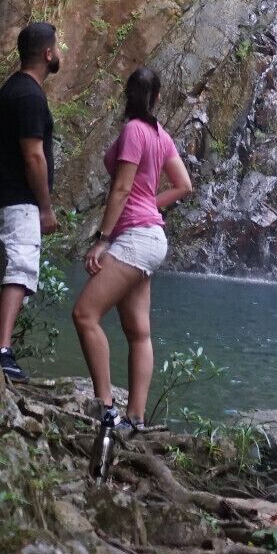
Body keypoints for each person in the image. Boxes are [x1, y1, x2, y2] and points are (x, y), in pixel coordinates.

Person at [72, 66, 194, 435]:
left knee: (84, 315)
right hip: (152, 238)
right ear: (157, 98)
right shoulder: (161, 135)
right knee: (138, 331)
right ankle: (136, 418)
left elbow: (122, 189)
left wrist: (103, 238)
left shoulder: (133, 131)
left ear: (127, 95)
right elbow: (184, 185)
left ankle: (107, 407)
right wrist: (153, 205)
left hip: (134, 238)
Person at [0, 20, 61, 381]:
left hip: (1, 196)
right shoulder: (29, 95)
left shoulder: (14, 89)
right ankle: (3, 350)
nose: (60, 53)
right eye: (57, 47)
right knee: (20, 268)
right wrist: (44, 206)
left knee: (0, 277)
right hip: (17, 199)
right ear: (46, 53)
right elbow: (34, 156)